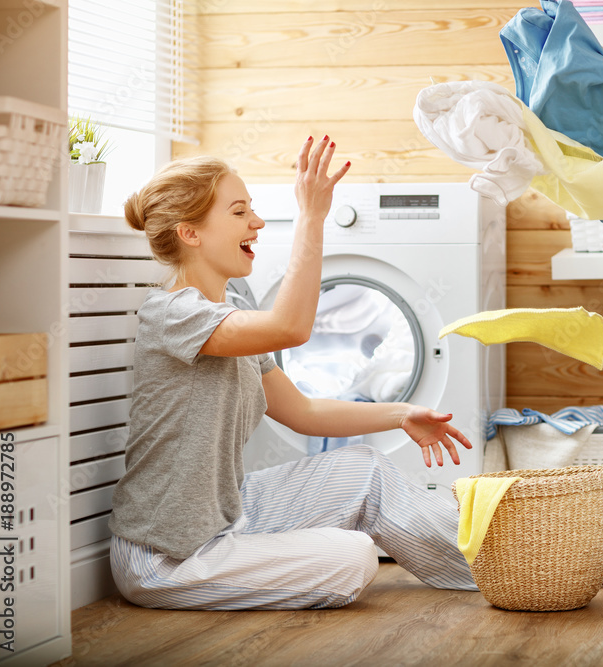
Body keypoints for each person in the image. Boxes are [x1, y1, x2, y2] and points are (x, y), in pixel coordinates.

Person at [108, 136, 478, 610]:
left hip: (229, 513)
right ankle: (505, 568)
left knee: (366, 471)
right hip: (169, 555)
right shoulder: (173, 313)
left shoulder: (234, 314)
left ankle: (501, 568)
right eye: (240, 212)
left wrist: (402, 413)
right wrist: (311, 216)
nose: (257, 223)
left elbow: (302, 411)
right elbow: (291, 327)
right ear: (190, 233)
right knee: (355, 558)